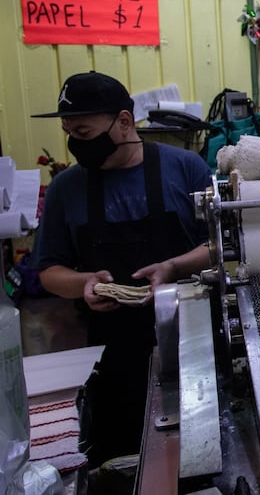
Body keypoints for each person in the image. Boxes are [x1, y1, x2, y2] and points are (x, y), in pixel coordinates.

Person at [31, 71, 213, 469]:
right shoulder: (67, 188)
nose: (76, 143)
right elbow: (48, 271)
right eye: (69, 132)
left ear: (125, 122)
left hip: (190, 339)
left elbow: (217, 247)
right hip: (111, 353)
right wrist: (84, 283)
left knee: (199, 451)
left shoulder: (185, 168)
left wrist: (172, 266)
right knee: (121, 458)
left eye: (83, 131)